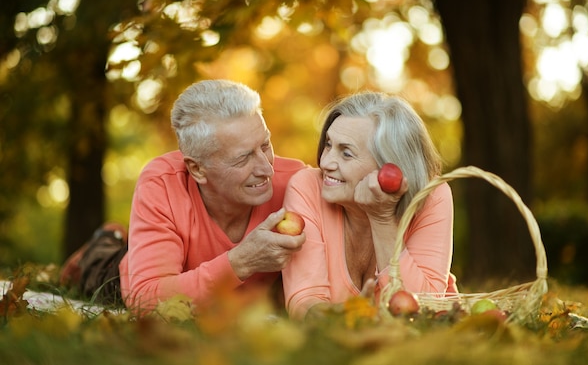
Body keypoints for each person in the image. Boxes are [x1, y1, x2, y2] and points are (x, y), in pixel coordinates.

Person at [60, 79, 306, 313]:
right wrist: (241, 262)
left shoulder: (298, 183)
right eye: (243, 158)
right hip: (121, 276)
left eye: (265, 145)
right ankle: (105, 240)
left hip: (219, 297)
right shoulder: (162, 184)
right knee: (96, 270)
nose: (267, 169)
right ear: (197, 169)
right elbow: (145, 298)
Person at [281, 91, 457, 320]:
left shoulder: (432, 196)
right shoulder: (307, 187)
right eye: (328, 145)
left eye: (346, 153)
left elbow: (424, 308)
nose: (325, 162)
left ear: (390, 167)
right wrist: (352, 317)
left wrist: (382, 219)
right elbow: (304, 302)